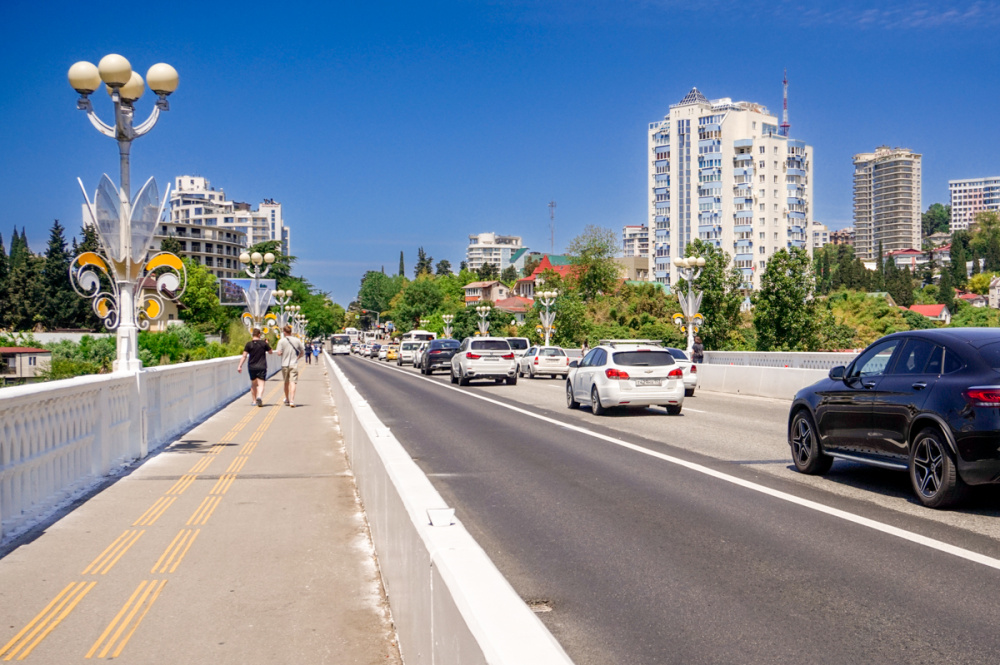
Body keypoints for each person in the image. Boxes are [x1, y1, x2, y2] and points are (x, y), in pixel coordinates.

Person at [237, 328, 273, 407]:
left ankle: (254, 401)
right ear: (259, 335)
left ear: (252, 335)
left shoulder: (248, 344)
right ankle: (259, 396)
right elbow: (271, 352)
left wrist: (240, 365)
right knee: (261, 384)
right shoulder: (263, 344)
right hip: (262, 366)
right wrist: (267, 344)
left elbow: (244, 356)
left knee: (253, 384)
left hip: (252, 367)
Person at [276, 325, 305, 407]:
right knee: (293, 383)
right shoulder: (297, 340)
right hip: (294, 364)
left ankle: (287, 399)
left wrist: (281, 353)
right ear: (291, 332)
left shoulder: (281, 341)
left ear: (284, 332)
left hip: (285, 364)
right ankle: (292, 400)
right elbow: (302, 352)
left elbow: (279, 353)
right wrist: (297, 358)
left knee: (286, 383)